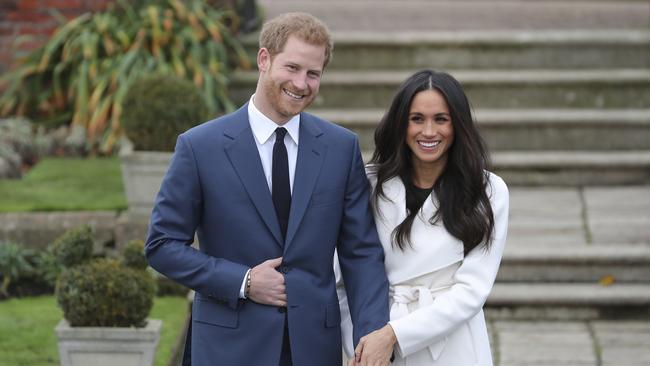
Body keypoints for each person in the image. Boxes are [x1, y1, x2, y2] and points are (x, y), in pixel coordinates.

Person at [145, 12, 391, 366]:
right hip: (227, 346)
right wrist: (243, 281)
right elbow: (161, 245)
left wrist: (372, 336)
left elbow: (361, 254)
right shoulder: (200, 147)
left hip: (313, 348)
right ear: (264, 59)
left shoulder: (341, 148)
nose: (301, 83)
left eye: (313, 74)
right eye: (291, 68)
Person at [337, 70, 509, 366]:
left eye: (441, 119)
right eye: (417, 119)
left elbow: (472, 291)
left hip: (453, 346)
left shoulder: (488, 190)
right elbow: (343, 278)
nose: (429, 132)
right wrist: (363, 342)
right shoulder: (368, 185)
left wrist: (395, 334)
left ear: (458, 125)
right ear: (401, 124)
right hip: (376, 342)